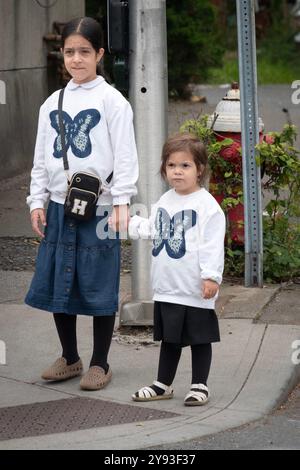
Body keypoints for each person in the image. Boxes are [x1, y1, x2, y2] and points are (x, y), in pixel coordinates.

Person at [25, 17, 138, 391]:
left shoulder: (112, 102)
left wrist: (121, 201)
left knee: (98, 283)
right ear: (62, 53)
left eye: (84, 52)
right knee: (61, 280)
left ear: (100, 54)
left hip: (100, 208)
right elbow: (41, 158)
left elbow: (125, 156)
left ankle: (100, 363)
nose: (76, 59)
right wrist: (36, 200)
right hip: (59, 206)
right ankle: (70, 357)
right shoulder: (51, 103)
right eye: (69, 51)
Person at [127, 133, 225, 406]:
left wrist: (211, 276)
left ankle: (199, 385)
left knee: (199, 338)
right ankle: (163, 384)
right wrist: (129, 223)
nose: (177, 172)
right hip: (167, 287)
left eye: (185, 166)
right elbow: (153, 229)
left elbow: (212, 244)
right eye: (172, 165)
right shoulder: (165, 200)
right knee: (170, 338)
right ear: (164, 169)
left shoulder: (207, 207)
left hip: (194, 288)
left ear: (199, 169)